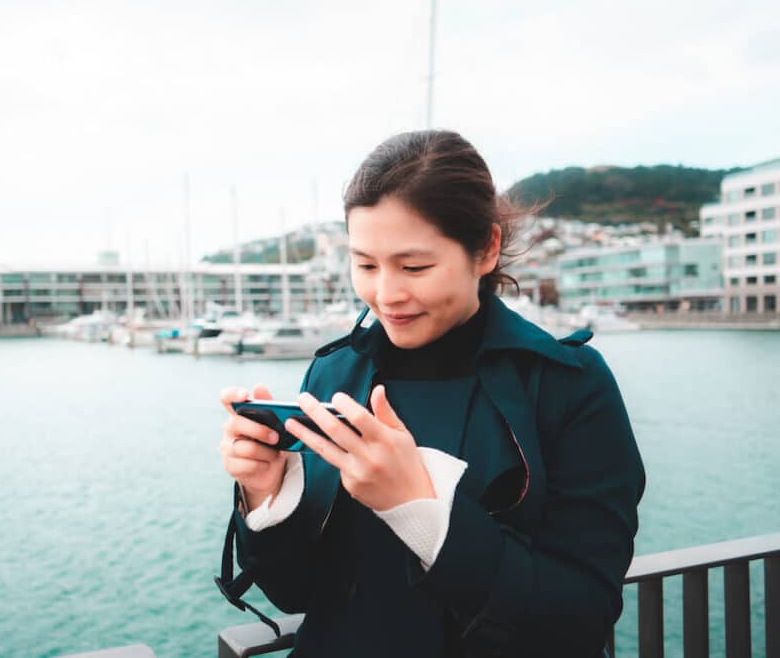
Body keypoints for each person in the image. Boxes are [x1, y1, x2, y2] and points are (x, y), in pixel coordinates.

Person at [216, 130, 645, 657]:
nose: (386, 295)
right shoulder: (334, 374)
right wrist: (267, 496)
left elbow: (580, 617)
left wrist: (416, 505)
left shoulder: (567, 384)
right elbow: (297, 594)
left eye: (414, 267)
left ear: (485, 248)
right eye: (366, 265)